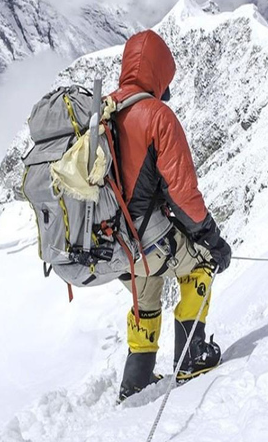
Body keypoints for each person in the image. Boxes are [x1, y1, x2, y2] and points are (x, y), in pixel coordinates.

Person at [108, 29, 232, 401]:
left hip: (113, 246)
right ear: (160, 73)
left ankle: (136, 380)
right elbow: (183, 193)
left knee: (147, 292)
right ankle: (190, 359)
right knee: (200, 266)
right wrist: (211, 238)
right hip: (147, 240)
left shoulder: (104, 111)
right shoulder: (157, 116)